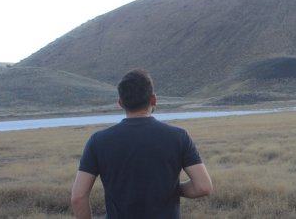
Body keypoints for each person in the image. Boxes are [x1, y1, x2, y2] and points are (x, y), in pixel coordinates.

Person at [71, 69, 212, 218]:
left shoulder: (98, 141)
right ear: (154, 99)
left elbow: (78, 198)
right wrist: (173, 189)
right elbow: (203, 187)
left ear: (120, 103)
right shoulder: (179, 136)